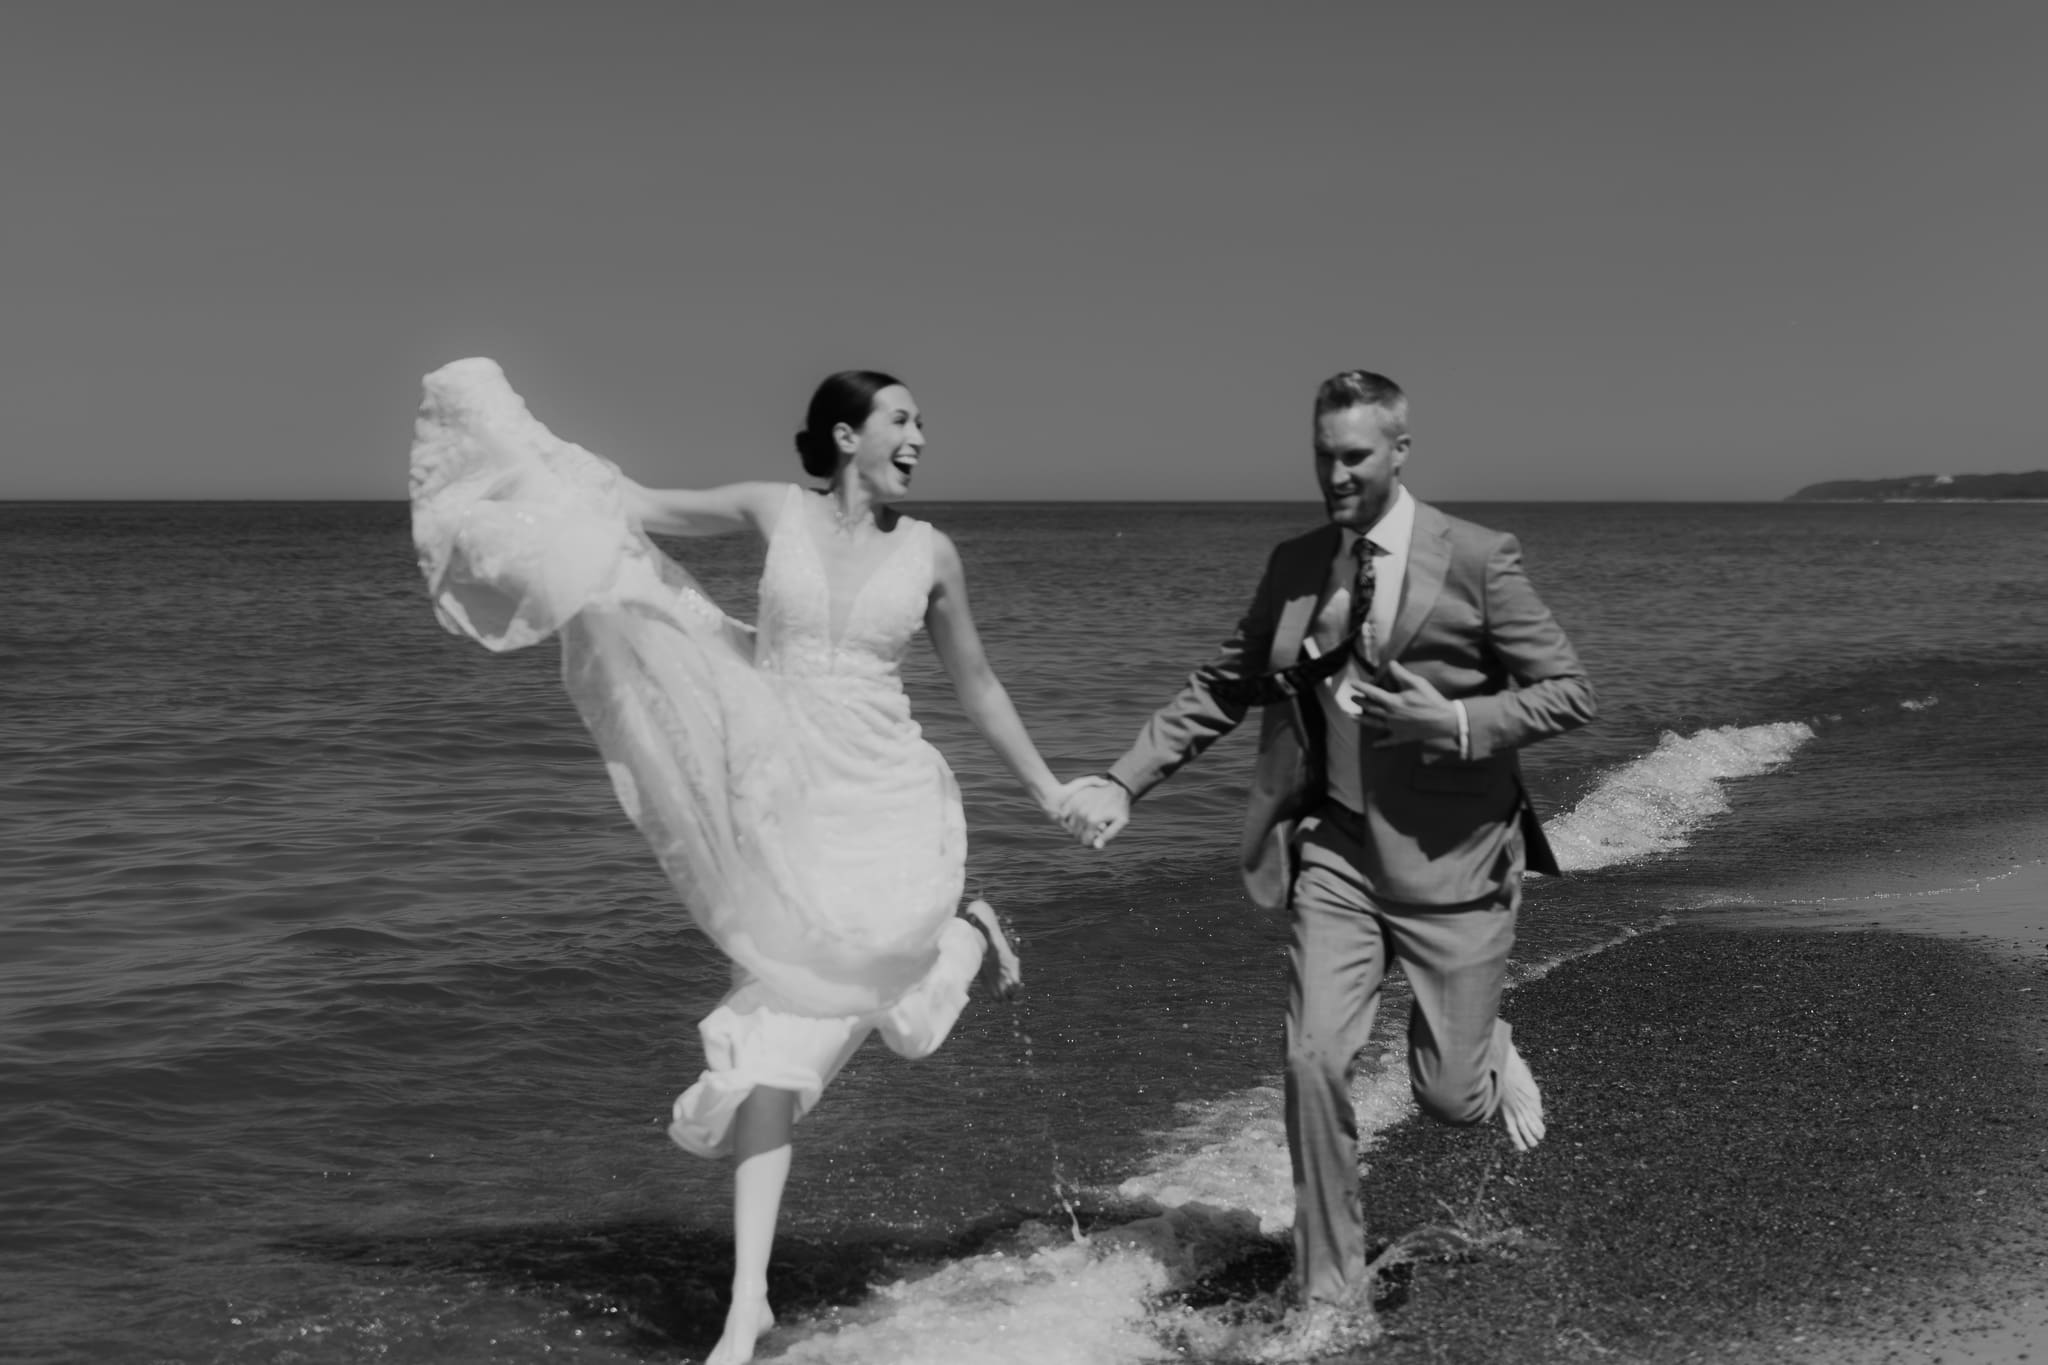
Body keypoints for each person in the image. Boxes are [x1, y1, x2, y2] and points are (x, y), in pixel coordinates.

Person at [410, 360, 1082, 1365]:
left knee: (882, 1019)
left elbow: (976, 683)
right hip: (781, 807)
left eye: (921, 424)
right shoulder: (774, 511)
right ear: (845, 434)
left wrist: (1049, 790)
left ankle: (956, 940)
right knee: (772, 1050)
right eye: (901, 420)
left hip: (885, 797)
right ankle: (747, 1304)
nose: (919, 438)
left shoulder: (933, 554)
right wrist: (514, 440)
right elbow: (629, 509)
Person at [1062, 369, 1595, 1351]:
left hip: (1454, 866)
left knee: (1447, 1100)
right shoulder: (1296, 563)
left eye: (1354, 455)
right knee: (1309, 1058)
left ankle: (1488, 1051)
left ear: (1398, 451)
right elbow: (1223, 685)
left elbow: (1567, 692)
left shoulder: (1477, 559)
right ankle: (1329, 1291)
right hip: (1337, 855)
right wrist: (1120, 780)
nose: (1334, 473)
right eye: (1322, 455)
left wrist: (1458, 719)